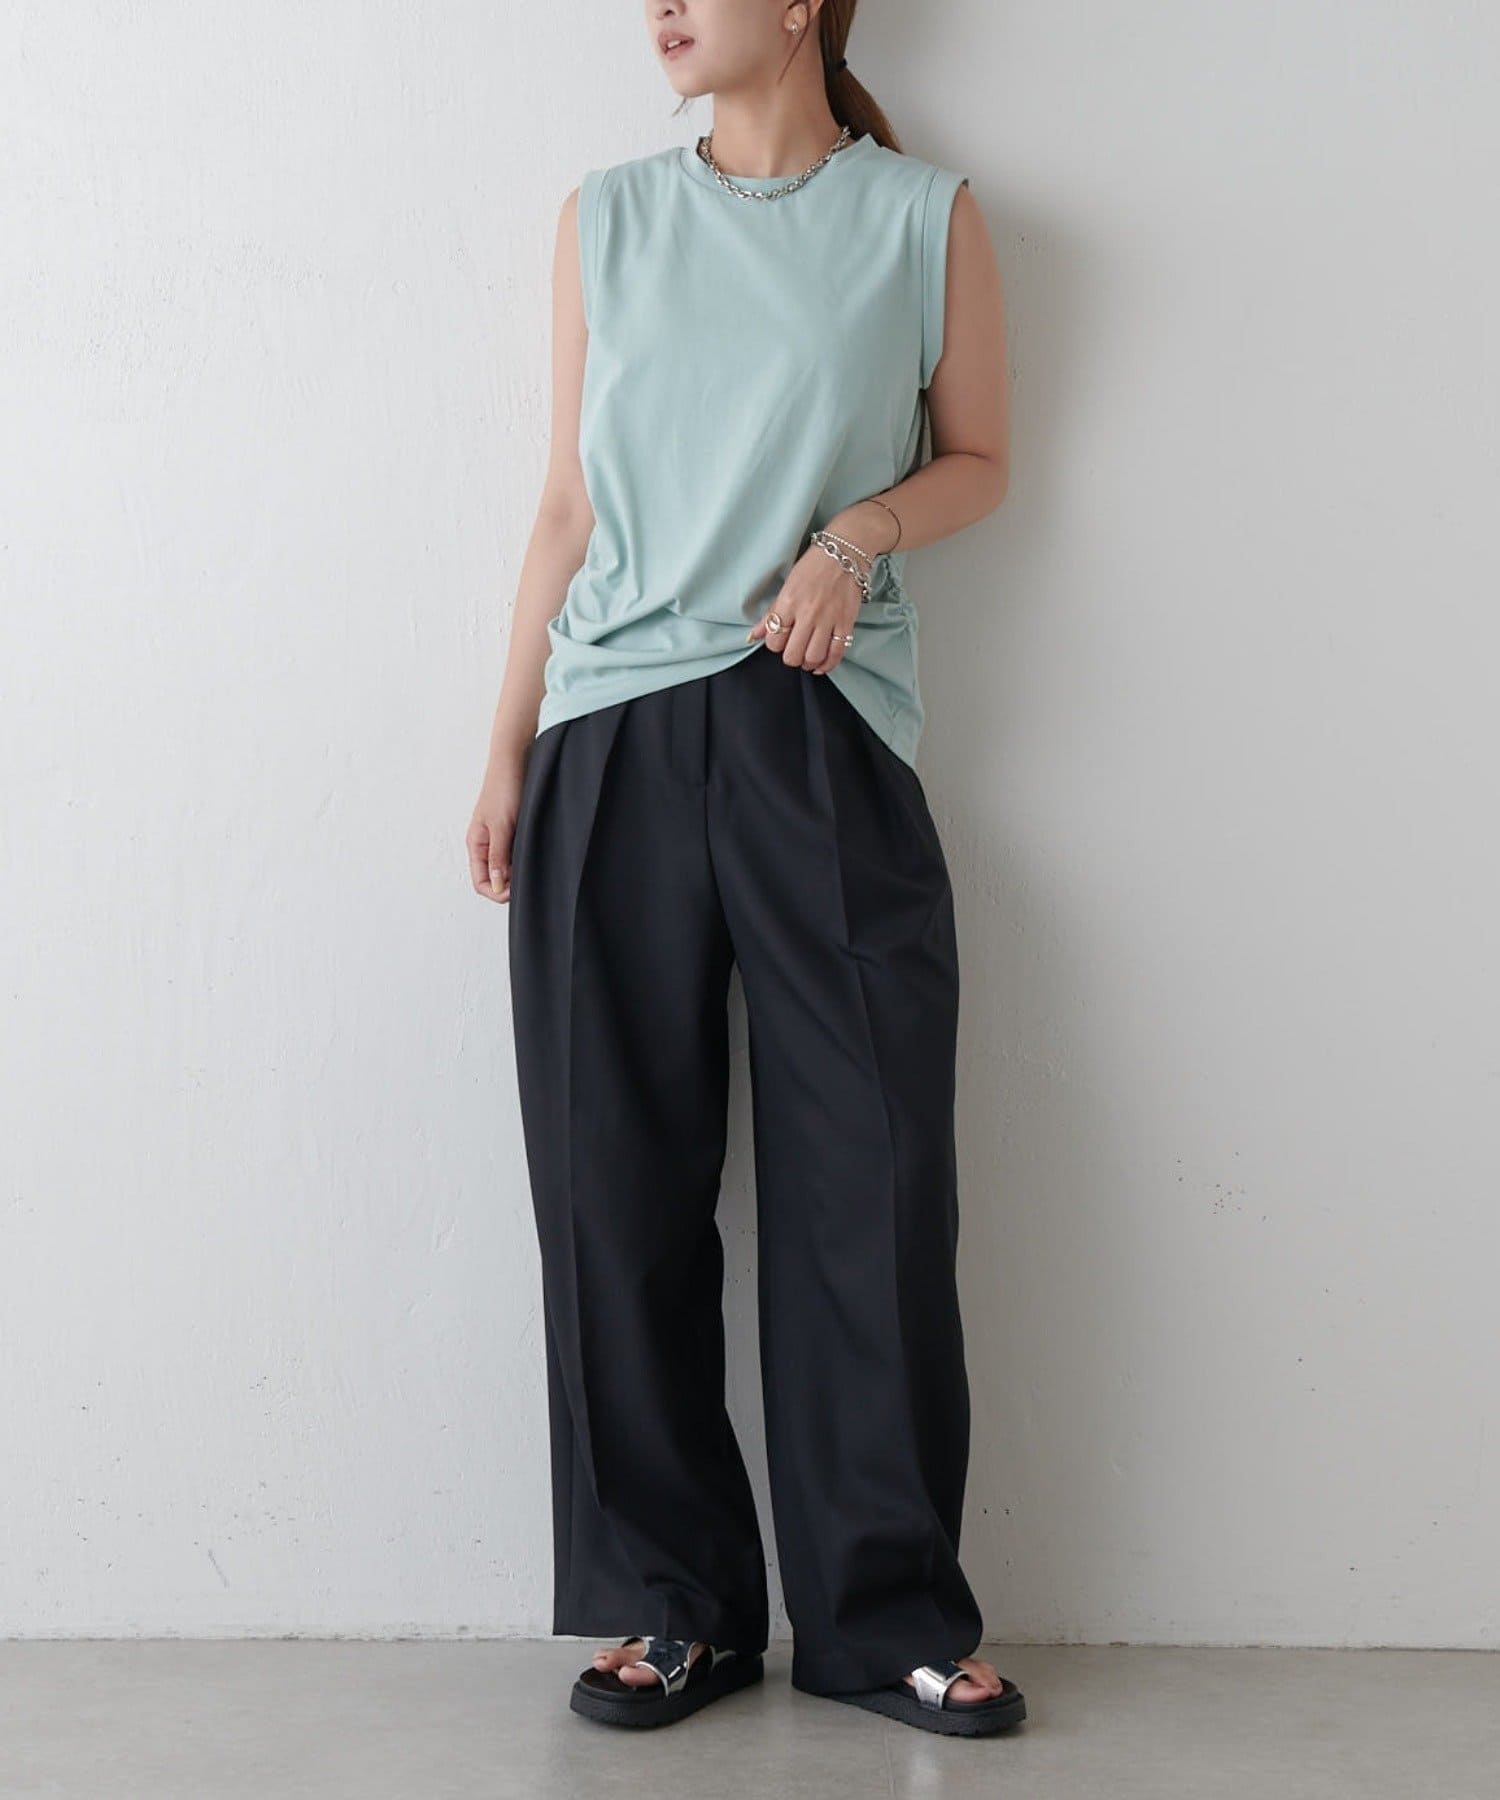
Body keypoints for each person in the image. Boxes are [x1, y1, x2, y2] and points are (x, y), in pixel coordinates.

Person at [467, 0, 1019, 1740]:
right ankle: (677, 1606)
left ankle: (885, 1616)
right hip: (611, 735)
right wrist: (506, 743)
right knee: (612, 1188)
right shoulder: (606, 216)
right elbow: (567, 502)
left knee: (873, 1182)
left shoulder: (926, 217)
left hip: (820, 724)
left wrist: (856, 535)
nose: (659, 7)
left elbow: (981, 458)